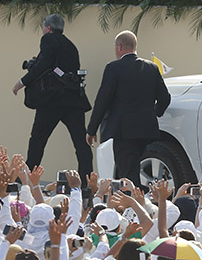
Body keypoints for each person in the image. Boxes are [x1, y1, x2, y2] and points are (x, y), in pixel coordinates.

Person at [10, 14, 92, 181]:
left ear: (47, 28)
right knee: (80, 142)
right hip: (74, 99)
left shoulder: (48, 39)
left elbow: (44, 64)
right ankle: (87, 179)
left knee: (38, 140)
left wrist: (21, 82)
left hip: (52, 100)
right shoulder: (70, 45)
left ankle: (27, 177)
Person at [86, 30, 171, 186]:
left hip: (123, 131)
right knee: (132, 169)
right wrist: (153, 114)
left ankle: (132, 206)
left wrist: (91, 130)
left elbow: (102, 101)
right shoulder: (151, 68)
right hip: (146, 130)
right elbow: (165, 98)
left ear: (119, 47)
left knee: (128, 174)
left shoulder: (113, 68)